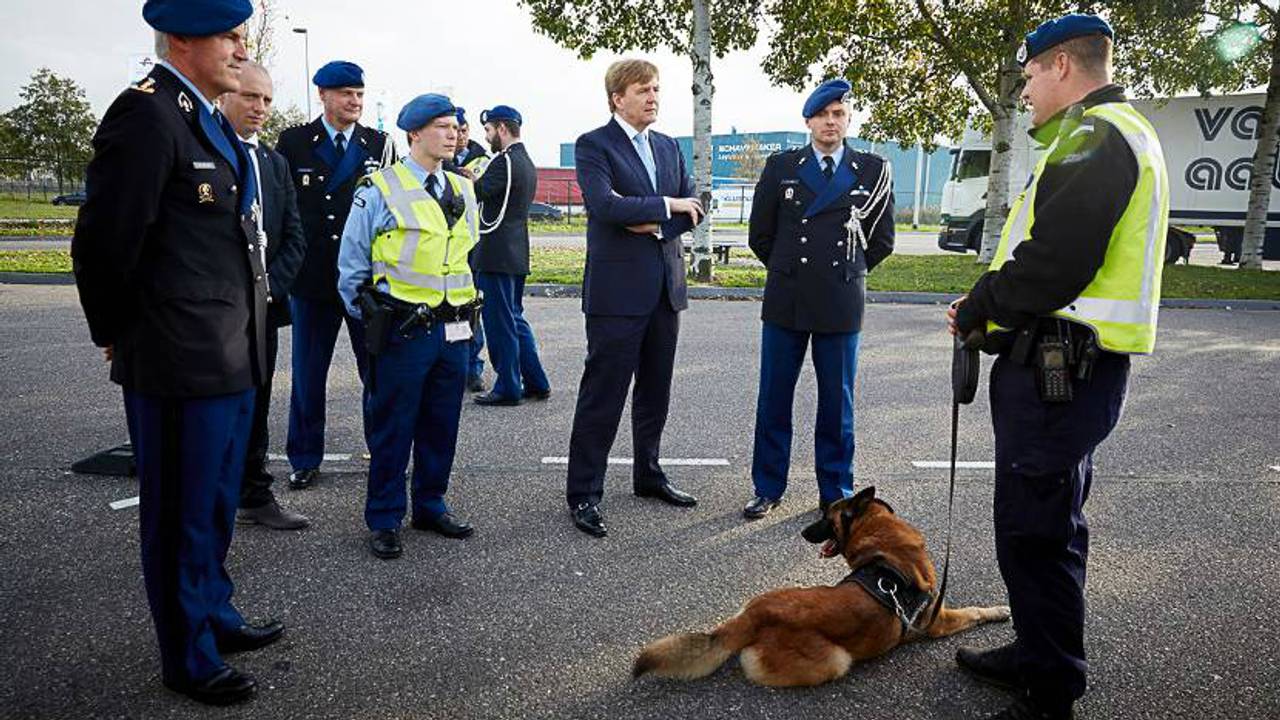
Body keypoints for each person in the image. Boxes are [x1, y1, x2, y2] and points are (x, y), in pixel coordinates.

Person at [946, 14, 1169, 720]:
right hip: (1072, 371)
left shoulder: (1094, 137)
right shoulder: (1119, 131)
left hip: (1060, 373)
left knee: (1034, 530)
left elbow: (1053, 264)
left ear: (1063, 67)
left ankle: (1048, 691)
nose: (1026, 90)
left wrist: (979, 305)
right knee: (1051, 522)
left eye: (1030, 75)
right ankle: (1041, 654)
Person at [71, 0, 283, 705]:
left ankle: (213, 612)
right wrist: (116, 335)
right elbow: (104, 244)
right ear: (184, 38)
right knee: (180, 513)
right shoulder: (146, 114)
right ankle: (187, 656)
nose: (239, 45)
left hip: (229, 356)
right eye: (228, 35)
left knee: (217, 503)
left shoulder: (204, 118)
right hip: (178, 362)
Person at [741, 79, 894, 520]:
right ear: (808, 121)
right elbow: (761, 235)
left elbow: (881, 240)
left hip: (841, 299)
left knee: (837, 403)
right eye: (823, 115)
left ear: (847, 120)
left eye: (839, 114)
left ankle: (836, 494)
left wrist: (848, 272)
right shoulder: (782, 166)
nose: (831, 122)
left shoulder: (872, 169)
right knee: (774, 398)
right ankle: (767, 486)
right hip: (787, 298)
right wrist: (790, 268)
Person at [564, 59, 705, 538]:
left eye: (656, 89)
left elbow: (694, 206)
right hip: (616, 294)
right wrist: (667, 206)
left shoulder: (667, 147)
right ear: (616, 97)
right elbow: (604, 205)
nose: (653, 97)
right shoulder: (594, 145)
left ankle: (648, 474)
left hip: (665, 289)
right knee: (603, 396)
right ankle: (584, 492)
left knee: (655, 393)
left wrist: (654, 220)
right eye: (643, 89)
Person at [337, 94, 479, 560]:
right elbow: (352, 266)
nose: (453, 133)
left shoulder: (463, 189)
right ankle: (384, 517)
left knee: (442, 424)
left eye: (456, 126)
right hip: (402, 329)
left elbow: (463, 257)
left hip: (453, 328)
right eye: (442, 126)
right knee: (392, 426)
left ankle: (430, 504)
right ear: (414, 133)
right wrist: (370, 325)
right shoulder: (380, 187)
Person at [275, 60, 396, 490]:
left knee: (376, 371)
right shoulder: (293, 143)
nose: (355, 101)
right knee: (308, 374)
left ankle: (383, 450)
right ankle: (305, 456)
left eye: (360, 94)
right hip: (312, 278)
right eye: (346, 94)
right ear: (323, 96)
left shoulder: (379, 145)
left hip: (363, 280)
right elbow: (283, 209)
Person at [220, 60, 310, 530]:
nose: (260, 108)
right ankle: (213, 495)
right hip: (217, 313)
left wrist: (268, 285)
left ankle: (254, 494)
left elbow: (294, 234)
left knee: (257, 401)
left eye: (267, 100)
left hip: (265, 307)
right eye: (250, 97)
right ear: (225, 95)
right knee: (218, 407)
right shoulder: (208, 150)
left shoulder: (274, 163)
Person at [471, 105, 552, 406]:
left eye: (489, 130)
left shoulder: (503, 162)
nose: (488, 136)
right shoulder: (524, 160)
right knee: (515, 319)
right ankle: (535, 380)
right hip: (515, 251)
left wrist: (458, 175)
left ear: (502, 128)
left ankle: (507, 386)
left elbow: (476, 194)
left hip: (495, 253)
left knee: (499, 322)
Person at [448, 107, 491, 392]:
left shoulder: (483, 158)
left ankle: (473, 367)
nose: (459, 136)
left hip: (472, 244)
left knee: (471, 309)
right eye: (455, 130)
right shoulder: (439, 159)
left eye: (464, 131)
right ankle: (452, 365)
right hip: (445, 246)